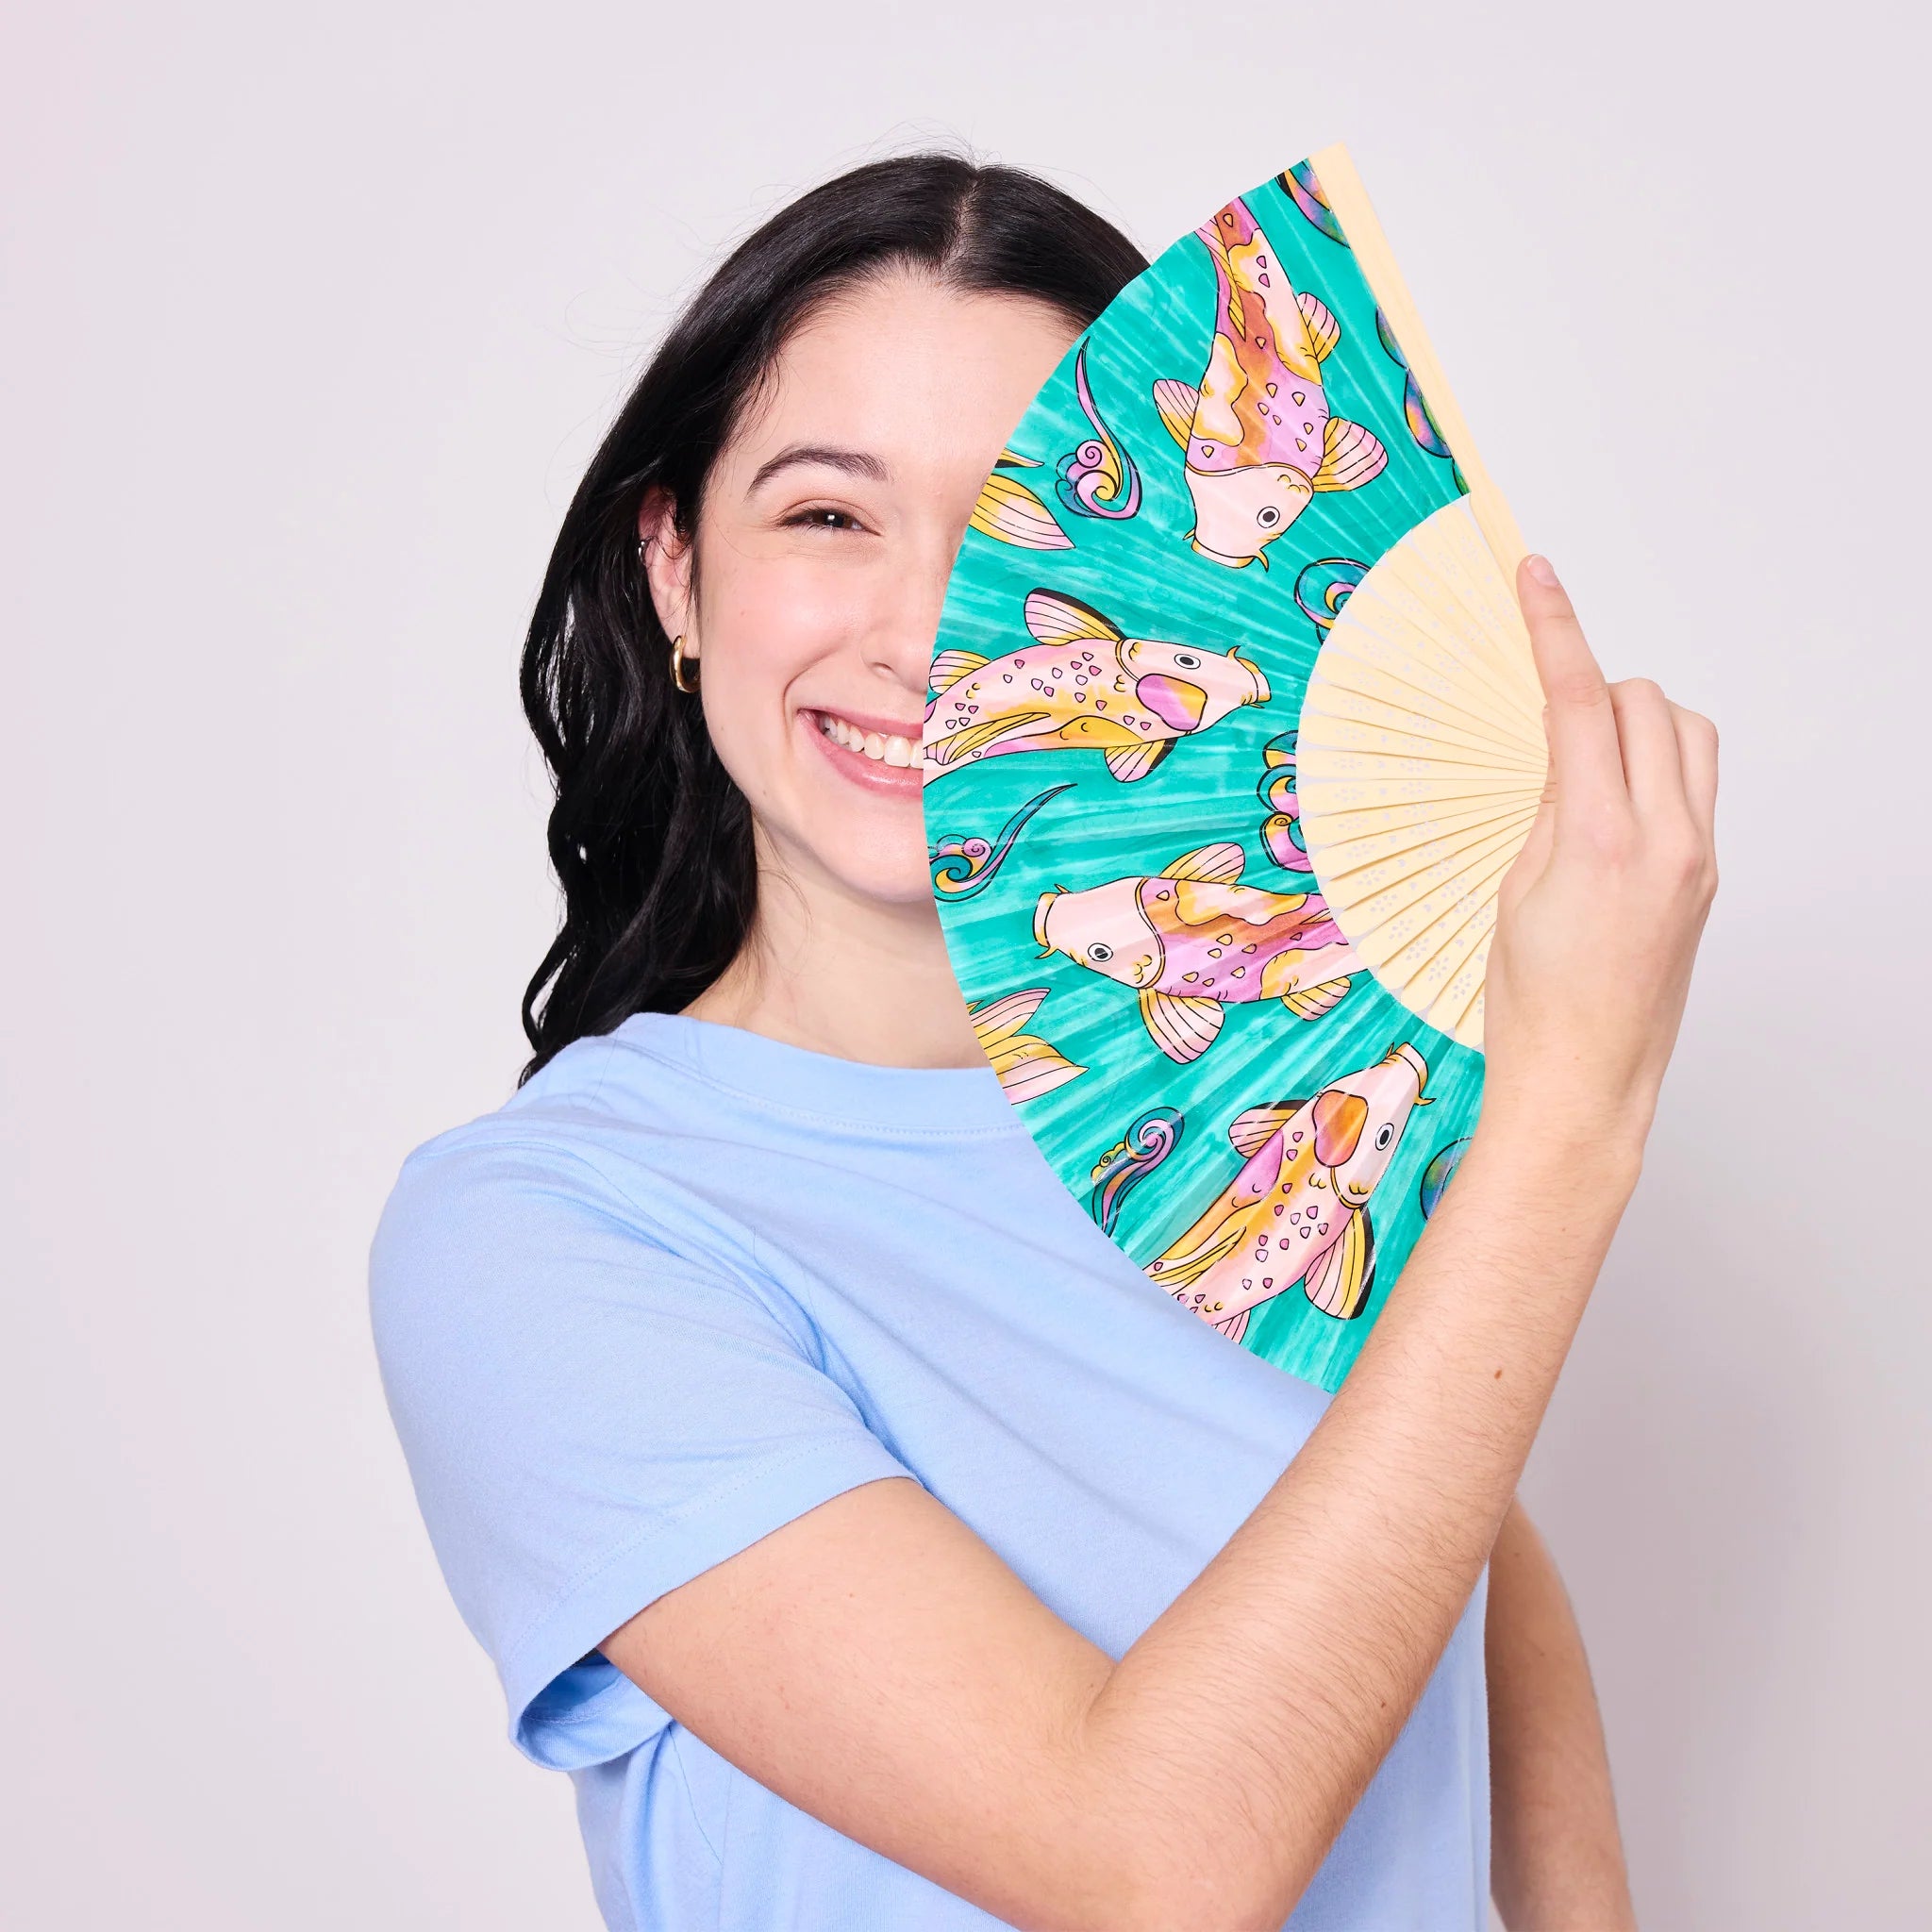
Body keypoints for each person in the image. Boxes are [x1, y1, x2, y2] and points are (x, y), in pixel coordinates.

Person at [369, 151, 1718, 1932]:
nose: (930, 631)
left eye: (1018, 520)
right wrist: (1573, 1109)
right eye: (828, 516)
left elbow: (1452, 1535)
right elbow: (1148, 1864)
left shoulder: (1271, 1080)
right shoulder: (545, 1232)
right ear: (676, 572)